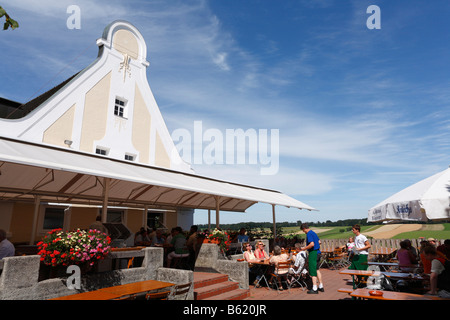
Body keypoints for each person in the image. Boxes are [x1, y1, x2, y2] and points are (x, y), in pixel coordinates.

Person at [300, 223, 324, 294]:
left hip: (313, 253)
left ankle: (314, 288)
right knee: (317, 269)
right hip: (318, 252)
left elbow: (312, 244)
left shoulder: (309, 234)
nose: (303, 232)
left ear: (304, 228)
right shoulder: (313, 233)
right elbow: (319, 242)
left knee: (312, 270)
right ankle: (321, 286)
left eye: (303, 230)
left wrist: (304, 248)